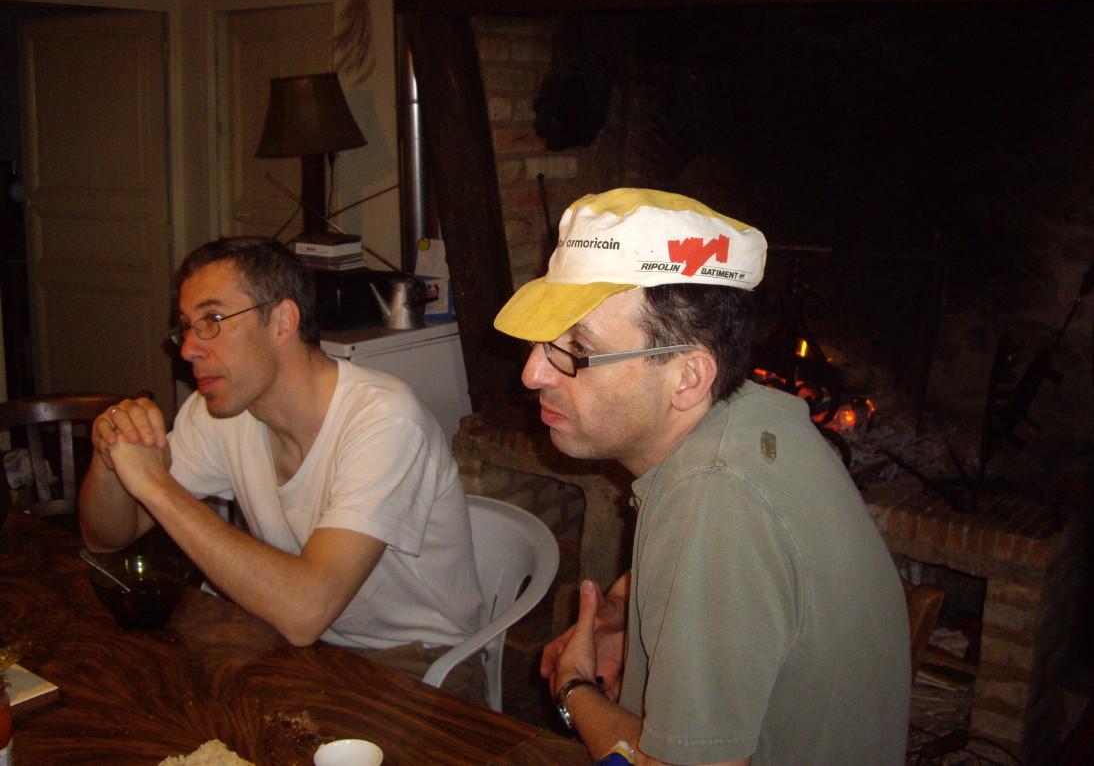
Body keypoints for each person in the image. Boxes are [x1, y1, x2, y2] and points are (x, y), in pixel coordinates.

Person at [493, 188, 910, 765]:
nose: (533, 372)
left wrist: (575, 687)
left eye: (577, 349)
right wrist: (631, 608)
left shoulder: (713, 495)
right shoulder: (757, 415)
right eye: (543, 340)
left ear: (688, 377)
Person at [79, 237, 486, 678]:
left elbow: (305, 611)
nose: (188, 348)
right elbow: (107, 538)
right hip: (293, 642)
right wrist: (111, 454)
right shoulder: (222, 409)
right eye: (187, 327)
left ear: (282, 322)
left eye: (212, 320)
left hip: (415, 662)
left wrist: (157, 487)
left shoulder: (385, 420)